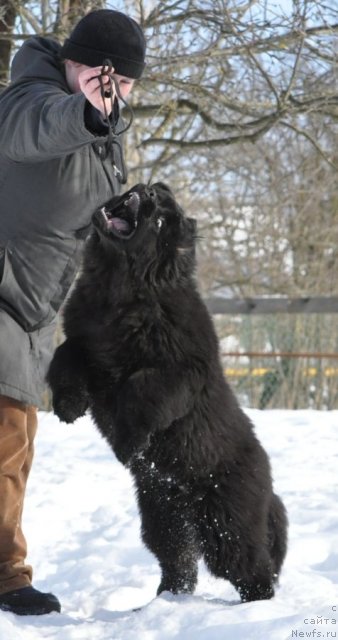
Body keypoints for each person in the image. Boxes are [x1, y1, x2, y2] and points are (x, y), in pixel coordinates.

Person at [0, 9, 146, 616]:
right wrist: (85, 112)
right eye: (94, 73)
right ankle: (6, 576)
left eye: (123, 83)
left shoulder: (108, 132)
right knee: (5, 433)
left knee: (19, 440)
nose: (112, 90)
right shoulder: (30, 97)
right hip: (3, 292)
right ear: (72, 63)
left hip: (36, 307)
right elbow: (32, 130)